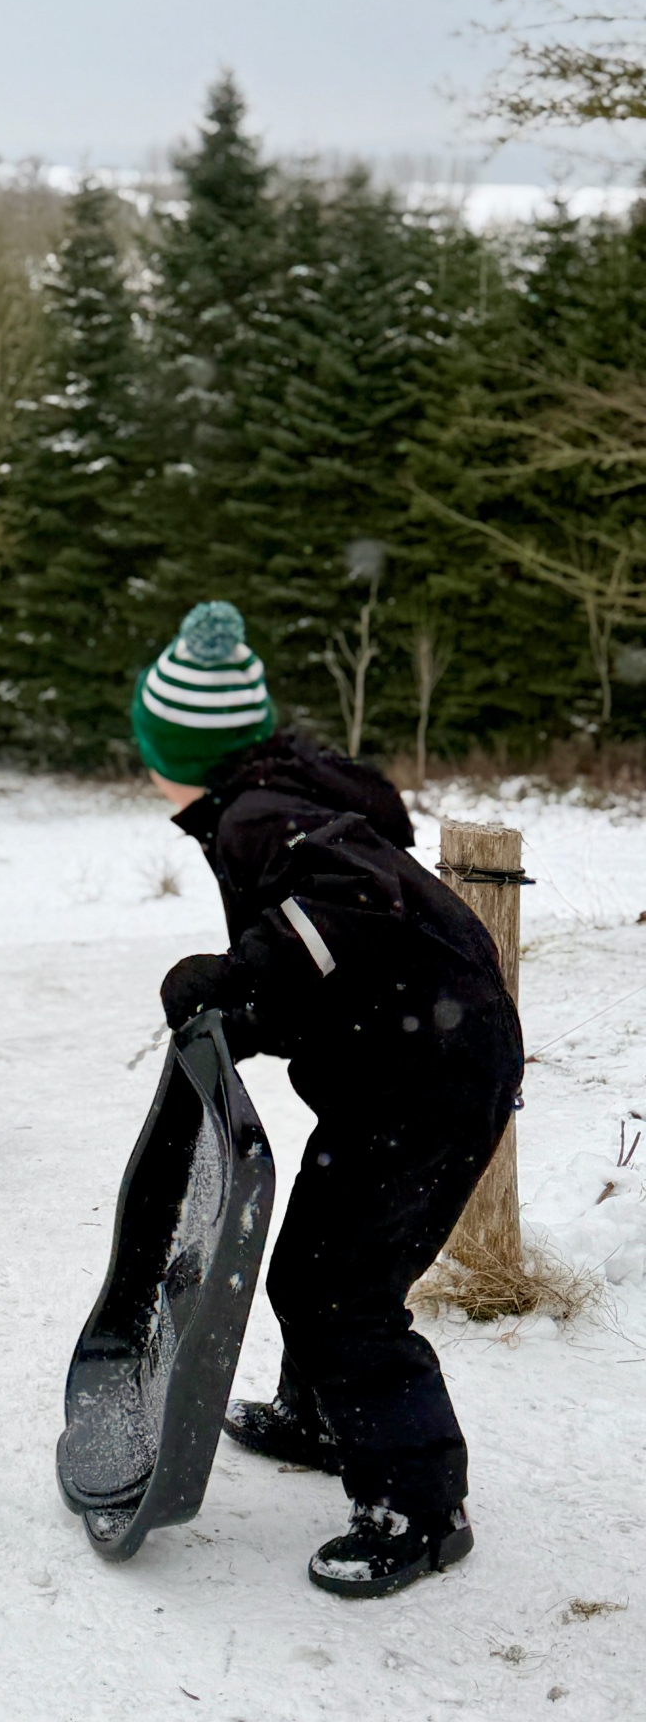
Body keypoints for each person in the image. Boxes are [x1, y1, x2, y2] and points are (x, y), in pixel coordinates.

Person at [134, 600, 523, 1598]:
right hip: (414, 1057)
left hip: (428, 1075)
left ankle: (418, 1507)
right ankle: (321, 1419)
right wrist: (244, 1006)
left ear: (176, 748)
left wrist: (231, 973)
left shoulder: (261, 817)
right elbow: (330, 963)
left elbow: (348, 908)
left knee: (337, 1291)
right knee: (316, 1264)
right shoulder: (275, 802)